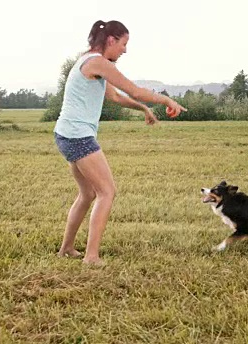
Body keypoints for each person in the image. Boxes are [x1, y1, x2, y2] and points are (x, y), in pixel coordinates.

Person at [53, 19, 187, 265]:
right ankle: (91, 257)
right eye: (124, 44)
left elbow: (115, 95)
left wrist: (143, 108)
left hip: (66, 134)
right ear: (111, 40)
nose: (125, 50)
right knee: (107, 192)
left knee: (87, 193)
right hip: (78, 135)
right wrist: (166, 101)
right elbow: (134, 90)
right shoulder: (98, 62)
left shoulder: (88, 61)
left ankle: (66, 249)